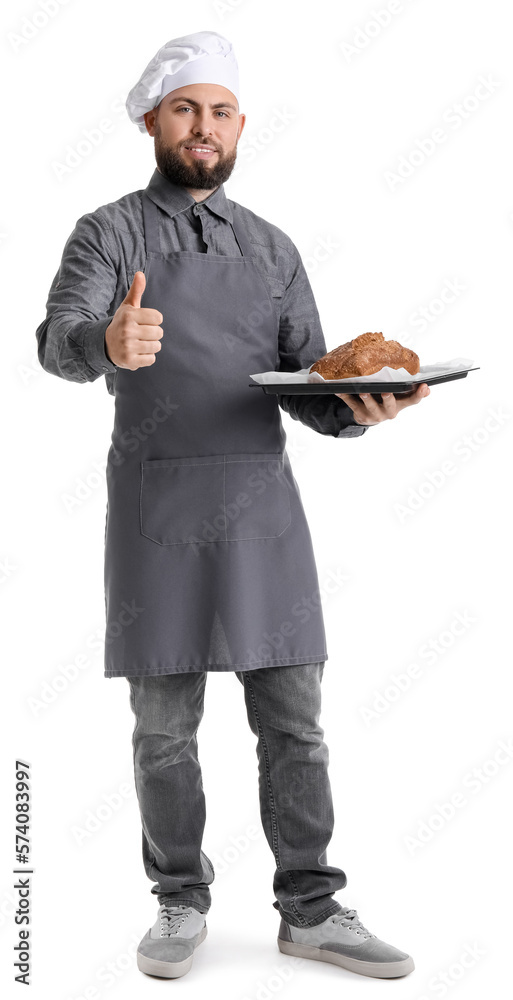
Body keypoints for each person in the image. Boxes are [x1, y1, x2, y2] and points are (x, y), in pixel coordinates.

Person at [36, 29, 429, 982]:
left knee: (294, 723)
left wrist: (360, 408)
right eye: (184, 110)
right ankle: (178, 900)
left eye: (218, 112)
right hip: (155, 509)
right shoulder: (109, 232)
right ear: (151, 121)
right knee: (163, 730)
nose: (202, 128)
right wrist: (107, 341)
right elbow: (57, 340)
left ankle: (312, 907)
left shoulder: (272, 249)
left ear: (240, 124)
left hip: (262, 508)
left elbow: (311, 386)